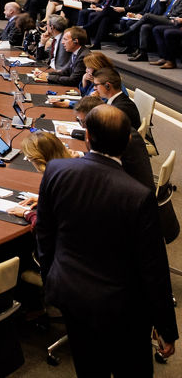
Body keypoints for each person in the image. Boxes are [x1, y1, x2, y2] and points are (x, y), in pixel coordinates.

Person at [36, 105, 177, 375]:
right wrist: (166, 327)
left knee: (89, 370)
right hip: (124, 309)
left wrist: (52, 279)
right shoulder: (137, 195)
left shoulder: (56, 171)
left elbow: (45, 235)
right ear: (127, 141)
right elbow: (153, 268)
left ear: (87, 136)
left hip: (72, 298)